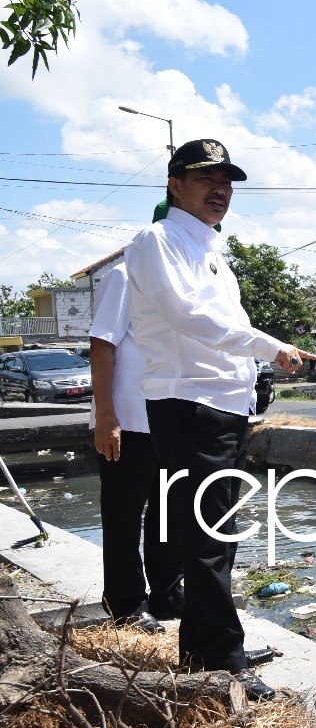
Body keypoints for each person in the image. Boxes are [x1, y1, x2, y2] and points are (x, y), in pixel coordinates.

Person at [125, 138, 316, 700]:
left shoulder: (211, 250)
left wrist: (255, 373)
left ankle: (208, 643)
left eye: (227, 181)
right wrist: (267, 345)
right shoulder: (156, 241)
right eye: (206, 179)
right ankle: (217, 658)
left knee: (219, 532)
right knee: (204, 536)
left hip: (225, 407)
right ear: (174, 185)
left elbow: (221, 324)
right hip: (188, 404)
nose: (220, 190)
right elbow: (189, 316)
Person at [89, 262, 184, 634]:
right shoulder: (124, 275)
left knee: (169, 514)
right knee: (123, 515)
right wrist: (106, 415)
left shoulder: (177, 279)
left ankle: (167, 592)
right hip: (127, 420)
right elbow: (102, 342)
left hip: (169, 418)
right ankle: (125, 602)